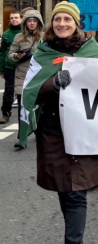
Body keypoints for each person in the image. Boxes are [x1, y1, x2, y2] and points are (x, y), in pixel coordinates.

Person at [27, 2, 98, 244]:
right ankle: (75, 237)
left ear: (76, 24)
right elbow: (30, 91)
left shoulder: (92, 50)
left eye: (67, 20)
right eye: (57, 19)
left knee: (75, 191)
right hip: (52, 130)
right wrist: (52, 83)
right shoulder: (42, 53)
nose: (62, 23)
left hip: (84, 127)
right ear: (52, 23)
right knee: (64, 187)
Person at [8, 9, 43, 148]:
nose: (32, 23)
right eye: (29, 20)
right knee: (23, 108)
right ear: (25, 23)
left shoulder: (45, 38)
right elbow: (9, 55)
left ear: (39, 22)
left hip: (40, 77)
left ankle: (38, 132)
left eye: (34, 20)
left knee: (40, 108)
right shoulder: (18, 37)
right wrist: (16, 56)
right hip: (23, 76)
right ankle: (22, 139)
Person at [0, 10, 23, 124]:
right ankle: (5, 113)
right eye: (12, 18)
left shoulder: (25, 33)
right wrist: (1, 68)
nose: (14, 20)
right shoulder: (6, 34)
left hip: (23, 68)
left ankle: (24, 116)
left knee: (23, 92)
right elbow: (2, 52)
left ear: (21, 19)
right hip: (9, 67)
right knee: (8, 91)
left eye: (16, 18)